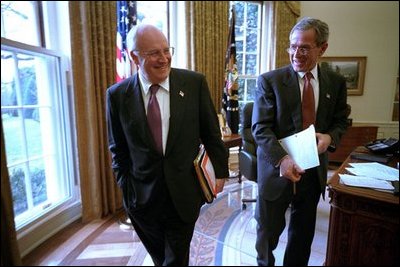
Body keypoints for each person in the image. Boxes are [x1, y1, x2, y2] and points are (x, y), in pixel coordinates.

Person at [106, 24, 229, 266]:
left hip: (184, 195)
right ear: (134, 57)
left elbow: (212, 134)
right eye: (154, 53)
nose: (164, 59)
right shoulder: (117, 95)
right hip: (141, 199)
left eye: (166, 50)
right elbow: (117, 149)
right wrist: (127, 188)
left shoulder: (194, 83)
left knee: (175, 259)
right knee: (160, 258)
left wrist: (220, 173)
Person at [252, 17, 348, 266]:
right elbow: (260, 128)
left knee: (302, 236)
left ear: (322, 48)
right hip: (276, 172)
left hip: (312, 172)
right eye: (292, 46)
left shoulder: (335, 82)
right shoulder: (269, 81)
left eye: (304, 47)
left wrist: (329, 137)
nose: (296, 53)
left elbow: (341, 121)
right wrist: (282, 159)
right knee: (267, 235)